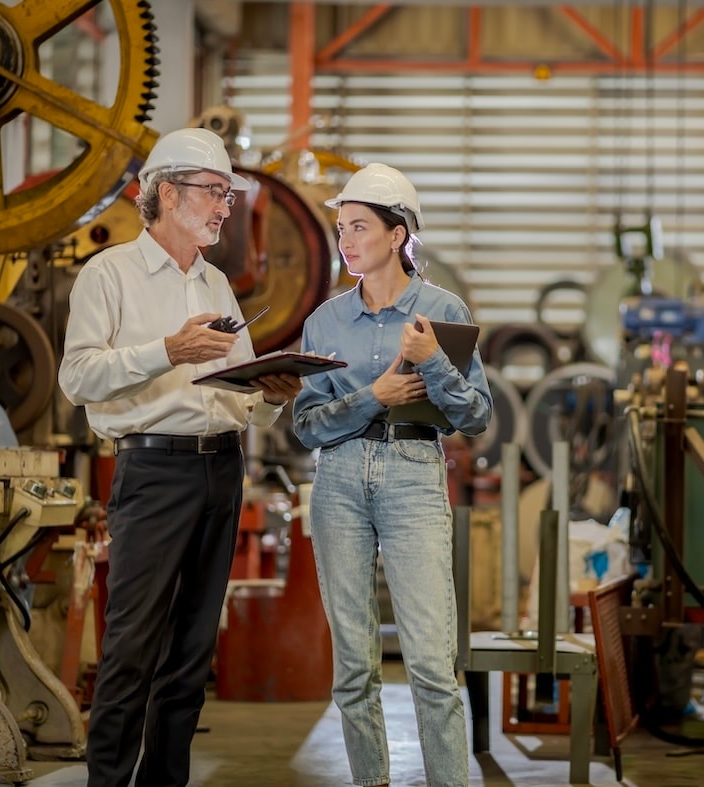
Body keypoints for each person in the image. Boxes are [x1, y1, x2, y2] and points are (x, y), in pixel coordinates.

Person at [59, 127, 303, 787]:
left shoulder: (218, 284)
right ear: (168, 192)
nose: (227, 207)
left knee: (191, 653)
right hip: (153, 470)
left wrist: (273, 396)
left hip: (221, 469)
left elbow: (237, 396)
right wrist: (167, 350)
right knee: (132, 648)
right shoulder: (109, 274)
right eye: (215, 192)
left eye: (229, 194)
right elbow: (77, 378)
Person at [293, 163, 491, 787]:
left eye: (359, 227)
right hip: (339, 480)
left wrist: (434, 363)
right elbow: (307, 425)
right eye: (341, 228)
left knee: (433, 664)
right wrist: (373, 395)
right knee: (354, 668)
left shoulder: (441, 310)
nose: (345, 240)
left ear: (398, 232)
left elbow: (476, 415)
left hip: (413, 472)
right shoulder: (324, 321)